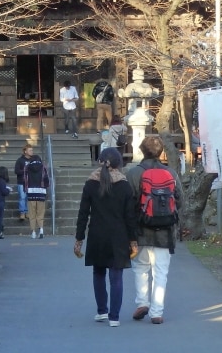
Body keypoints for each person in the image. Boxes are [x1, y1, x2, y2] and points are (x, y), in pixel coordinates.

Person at [74, 147, 137, 327]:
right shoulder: (124, 186)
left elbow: (83, 213)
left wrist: (79, 239)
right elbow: (129, 216)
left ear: (100, 161)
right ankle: (114, 317)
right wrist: (133, 240)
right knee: (116, 276)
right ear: (119, 163)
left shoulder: (91, 184)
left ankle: (102, 310)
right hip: (118, 235)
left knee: (98, 272)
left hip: (97, 234)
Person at [125, 135, 184, 325]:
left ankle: (142, 302)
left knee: (140, 268)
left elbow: (128, 204)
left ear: (142, 151)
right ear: (161, 152)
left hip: (141, 230)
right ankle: (156, 312)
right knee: (161, 272)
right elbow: (180, 200)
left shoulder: (133, 173)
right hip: (165, 232)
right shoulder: (171, 173)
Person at [23, 150, 50, 239]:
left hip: (31, 193)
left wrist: (25, 189)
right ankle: (41, 230)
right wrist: (45, 187)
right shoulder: (43, 167)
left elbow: (25, 180)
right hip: (41, 193)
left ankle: (33, 232)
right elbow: (46, 180)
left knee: (32, 213)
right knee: (40, 213)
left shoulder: (27, 167)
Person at [14, 144, 34, 221]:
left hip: (31, 182)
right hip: (21, 182)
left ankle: (28, 212)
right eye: (30, 150)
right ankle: (22, 212)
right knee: (22, 197)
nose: (32, 152)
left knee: (29, 198)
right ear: (25, 151)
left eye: (32, 150)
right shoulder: (20, 160)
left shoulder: (33, 160)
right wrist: (25, 171)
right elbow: (16, 171)